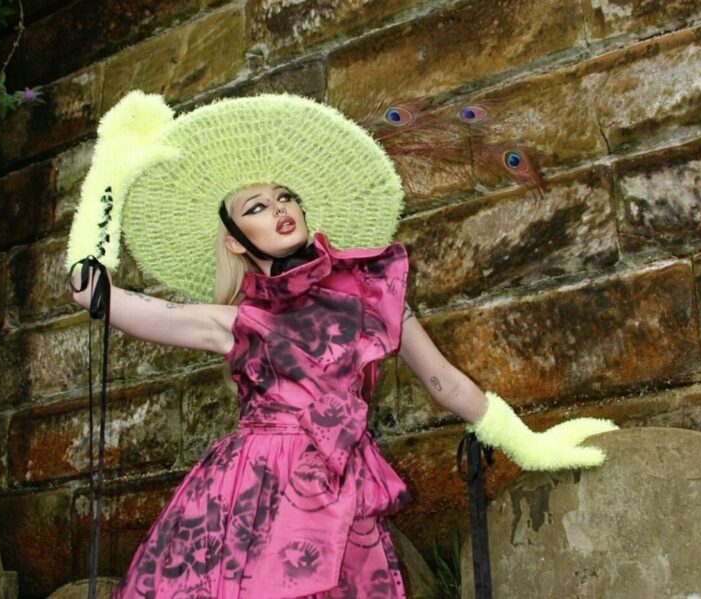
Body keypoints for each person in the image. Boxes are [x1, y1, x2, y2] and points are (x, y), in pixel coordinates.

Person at [66, 91, 619, 599]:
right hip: (249, 494)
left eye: (285, 196)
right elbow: (93, 293)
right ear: (235, 243)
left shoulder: (373, 298)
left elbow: (443, 381)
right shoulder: (235, 320)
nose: (280, 208)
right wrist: (108, 176)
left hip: (339, 488)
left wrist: (526, 442)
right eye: (255, 207)